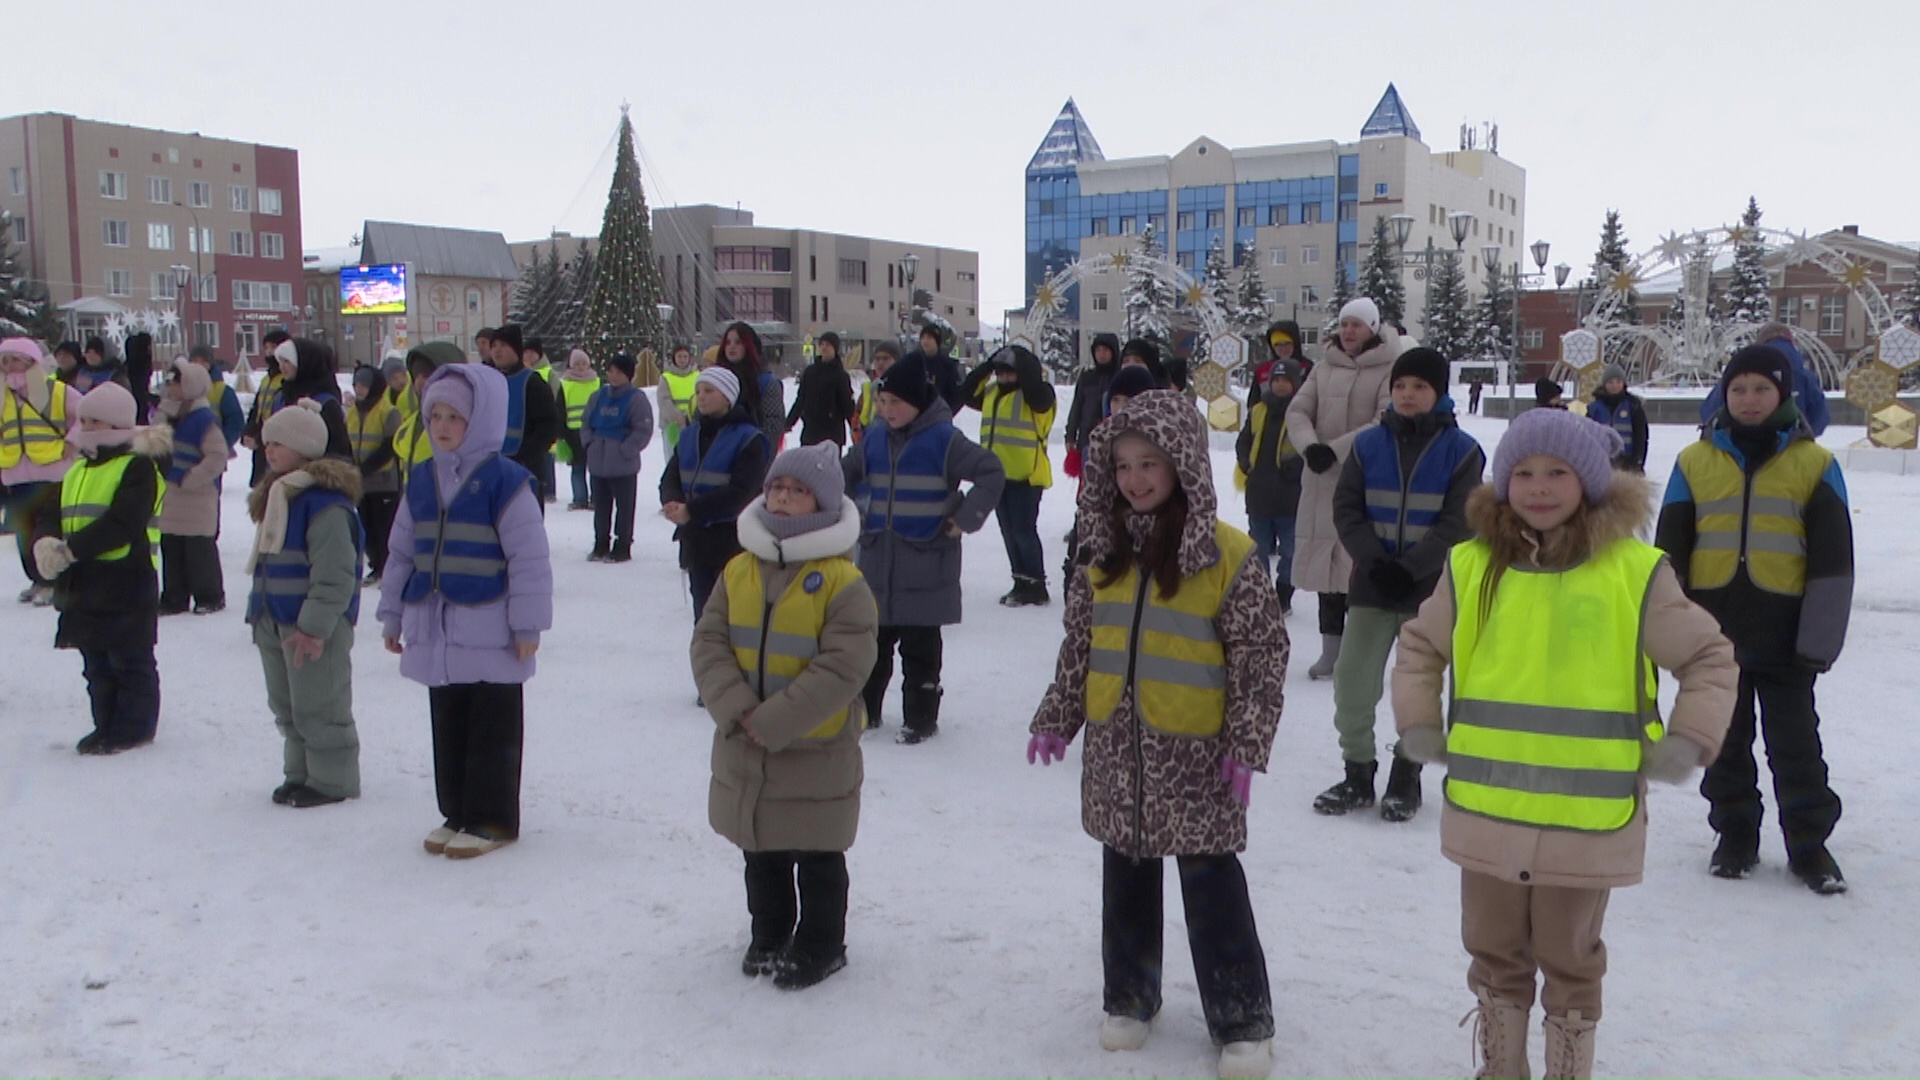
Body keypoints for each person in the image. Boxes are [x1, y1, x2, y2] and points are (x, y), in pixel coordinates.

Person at [1392, 406, 1736, 1080]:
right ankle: (1501, 1066)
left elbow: (1709, 658)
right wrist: (1418, 721)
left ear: (1590, 482)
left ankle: (1567, 1069)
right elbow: (1419, 648)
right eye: (1523, 472)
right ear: (1501, 483)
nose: (1539, 486)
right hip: (1488, 809)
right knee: (1492, 950)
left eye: (1557, 472)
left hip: (1588, 813)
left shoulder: (1633, 572)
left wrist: (1691, 738)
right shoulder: (1469, 567)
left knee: (1570, 956)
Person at [1027, 389, 1285, 1080]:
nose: (1135, 479)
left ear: (1185, 467)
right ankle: (1130, 995)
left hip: (1196, 754)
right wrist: (1059, 715)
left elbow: (1261, 656)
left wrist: (1246, 743)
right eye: (1123, 467)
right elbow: (1080, 645)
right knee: (1126, 875)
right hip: (1119, 748)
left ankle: (1241, 1017)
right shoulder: (1102, 552)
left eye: (1151, 464)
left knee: (1211, 885)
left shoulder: (1226, 555)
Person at [1656, 345, 1854, 894]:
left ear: (1783, 395)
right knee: (1723, 741)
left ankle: (1810, 845)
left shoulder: (1815, 464)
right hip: (1714, 637)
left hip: (1787, 636)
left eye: (1761, 389)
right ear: (1723, 394)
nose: (1748, 400)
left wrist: (1819, 640)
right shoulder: (1693, 462)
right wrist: (1673, 627)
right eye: (1738, 389)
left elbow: (1834, 561)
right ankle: (1736, 833)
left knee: (1796, 746)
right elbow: (1668, 553)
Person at [691, 441, 878, 990]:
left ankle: (822, 944)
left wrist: (777, 719)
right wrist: (735, 707)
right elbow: (709, 642)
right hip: (745, 739)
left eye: (798, 490)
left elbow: (845, 666)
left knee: (818, 853)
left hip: (814, 748)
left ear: (821, 504)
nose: (783, 496)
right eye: (777, 486)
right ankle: (769, 933)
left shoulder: (843, 582)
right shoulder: (738, 570)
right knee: (761, 850)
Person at [377, 363, 553, 859]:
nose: (442, 425)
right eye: (435, 415)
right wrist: (392, 616)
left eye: (455, 415)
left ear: (482, 419)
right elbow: (401, 553)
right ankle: (457, 811)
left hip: (492, 627)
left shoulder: (507, 481)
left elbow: (529, 560)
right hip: (436, 627)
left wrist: (527, 625)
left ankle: (492, 818)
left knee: (492, 728)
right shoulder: (422, 480)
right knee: (448, 724)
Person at [1316, 348, 1483, 820]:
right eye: (1401, 386)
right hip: (1371, 582)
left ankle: (1406, 775)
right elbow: (1346, 507)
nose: (1408, 395)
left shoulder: (1462, 450)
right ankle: (1357, 772)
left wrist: (1411, 567)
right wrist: (1372, 559)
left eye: (1420, 387)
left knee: (1419, 686)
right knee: (1352, 681)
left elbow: (1459, 520)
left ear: (1439, 393)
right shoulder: (1368, 445)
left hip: (1428, 591)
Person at [842, 350, 1004, 744]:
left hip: (926, 566)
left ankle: (920, 718)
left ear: (916, 402)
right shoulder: (875, 437)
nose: (886, 409)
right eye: (882, 401)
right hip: (878, 564)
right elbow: (846, 474)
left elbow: (990, 472)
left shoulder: (945, 441)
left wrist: (965, 518)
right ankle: (866, 713)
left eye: (895, 402)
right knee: (871, 648)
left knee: (921, 652)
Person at [35, 382, 169, 755]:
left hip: (126, 577)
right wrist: (46, 541)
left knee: (128, 658)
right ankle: (105, 723)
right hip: (84, 580)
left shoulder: (138, 466)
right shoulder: (78, 469)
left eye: (94, 420)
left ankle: (133, 727)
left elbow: (123, 521)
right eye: (83, 419)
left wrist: (71, 550)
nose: (85, 426)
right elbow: (51, 512)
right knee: (95, 660)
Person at [246, 401, 365, 808]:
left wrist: (315, 625)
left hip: (313, 625)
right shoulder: (279, 497)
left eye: (279, 443)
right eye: (267, 443)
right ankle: (300, 772)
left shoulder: (325, 504)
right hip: (275, 616)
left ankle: (332, 779)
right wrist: (257, 612)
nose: (270, 451)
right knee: (287, 703)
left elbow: (335, 572)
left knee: (320, 702)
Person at [1287, 297, 1399, 680]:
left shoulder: (1389, 367)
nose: (1348, 331)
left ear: (1372, 328)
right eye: (1344, 324)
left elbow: (1385, 417)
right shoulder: (1322, 367)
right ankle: (1330, 652)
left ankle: (1360, 655)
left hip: (1363, 479)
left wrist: (1334, 451)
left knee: (1360, 570)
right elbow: (1298, 411)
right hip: (1320, 480)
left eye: (1357, 325)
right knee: (1326, 571)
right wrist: (1310, 447)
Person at [660, 366, 772, 619]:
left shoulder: (749, 438)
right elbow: (671, 476)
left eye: (709, 390)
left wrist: (692, 510)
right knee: (704, 614)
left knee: (733, 615)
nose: (701, 396)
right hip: (696, 542)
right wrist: (671, 500)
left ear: (728, 396)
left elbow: (742, 492)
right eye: (698, 390)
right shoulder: (690, 434)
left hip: (732, 542)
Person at [961, 344, 1057, 606]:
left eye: (1009, 373)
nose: (1003, 378)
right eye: (1000, 373)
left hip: (1027, 477)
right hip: (998, 477)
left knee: (1024, 531)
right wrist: (989, 364)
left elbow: (1039, 396)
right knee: (1008, 531)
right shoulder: (992, 392)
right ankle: (1020, 581)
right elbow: (965, 392)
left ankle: (1036, 585)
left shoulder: (1038, 395)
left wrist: (1024, 364)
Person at [1, 338, 84, 606]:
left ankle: (55, 581)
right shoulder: (1, 395)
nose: (8, 365)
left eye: (14, 359)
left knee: (49, 532)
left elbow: (85, 414)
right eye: (4, 360)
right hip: (15, 475)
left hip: (53, 474)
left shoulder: (56, 390)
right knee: (24, 533)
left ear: (31, 361)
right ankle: (37, 579)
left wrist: (72, 442)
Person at [155, 358, 231, 615]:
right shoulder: (164, 415)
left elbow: (217, 456)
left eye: (175, 382)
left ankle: (209, 596)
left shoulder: (203, 419)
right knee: (172, 547)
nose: (170, 388)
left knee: (199, 550)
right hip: (170, 493)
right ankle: (174, 597)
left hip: (195, 496)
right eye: (168, 382)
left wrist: (191, 478)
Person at [1234, 358, 1304, 615]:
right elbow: (1243, 442)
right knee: (1258, 549)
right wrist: (1245, 464)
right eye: (1276, 380)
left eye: (1286, 380)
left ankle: (1284, 594)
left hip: (1290, 497)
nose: (1281, 385)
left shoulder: (1303, 412)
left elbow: (1310, 446)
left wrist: (1297, 466)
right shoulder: (1258, 411)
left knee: (1290, 551)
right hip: (1259, 495)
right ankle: (1261, 593)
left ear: (1295, 384)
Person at [582, 353, 656, 563]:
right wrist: (589, 443)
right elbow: (586, 422)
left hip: (623, 465)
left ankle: (622, 545)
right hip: (598, 463)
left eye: (619, 372)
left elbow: (643, 429)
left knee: (624, 508)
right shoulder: (598, 396)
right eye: (611, 371)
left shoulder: (636, 398)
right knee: (600, 507)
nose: (613, 376)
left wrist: (626, 450)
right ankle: (600, 544)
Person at [1698, 323, 1830, 437]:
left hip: (1739, 451)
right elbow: (1820, 418)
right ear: (1791, 342)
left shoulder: (1744, 369)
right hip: (1794, 451)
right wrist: (1800, 436)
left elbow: (1709, 412)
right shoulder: (1805, 376)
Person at [486, 325, 560, 512]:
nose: (497, 350)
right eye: (494, 345)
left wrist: (526, 457)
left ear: (516, 350)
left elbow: (549, 425)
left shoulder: (532, 383)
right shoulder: (489, 381)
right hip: (493, 469)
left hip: (526, 470)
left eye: (503, 345)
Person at [347, 365, 402, 587]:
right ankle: (376, 566)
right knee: (367, 527)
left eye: (363, 385)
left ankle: (388, 568)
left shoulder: (388, 411)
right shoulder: (351, 412)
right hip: (360, 482)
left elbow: (390, 447)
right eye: (356, 385)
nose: (359, 389)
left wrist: (366, 467)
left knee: (384, 528)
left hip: (383, 481)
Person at [271, 337, 353, 461]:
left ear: (304, 363)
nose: (281, 367)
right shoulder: (280, 397)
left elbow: (339, 452)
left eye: (287, 362)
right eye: (280, 362)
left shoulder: (325, 402)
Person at [392, 343, 461, 486]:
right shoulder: (411, 425)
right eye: (416, 374)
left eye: (429, 374)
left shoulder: (465, 424)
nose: (420, 381)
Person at [717, 321, 784, 452]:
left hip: (750, 457)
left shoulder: (765, 382)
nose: (731, 347)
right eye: (728, 342)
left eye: (738, 342)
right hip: (717, 459)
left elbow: (773, 426)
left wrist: (755, 455)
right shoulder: (716, 379)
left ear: (749, 346)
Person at [1063, 333, 1122, 479]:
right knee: (1087, 485)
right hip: (1086, 441)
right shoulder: (1087, 377)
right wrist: (1070, 436)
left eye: (1105, 350)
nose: (1101, 355)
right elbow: (1076, 407)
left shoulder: (1120, 377)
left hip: (1114, 442)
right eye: (1098, 350)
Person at [785, 332, 858, 447]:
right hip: (810, 432)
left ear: (835, 349)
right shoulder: (810, 372)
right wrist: (788, 423)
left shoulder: (840, 375)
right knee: (807, 464)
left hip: (832, 435)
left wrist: (855, 429)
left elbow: (847, 405)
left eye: (828, 345)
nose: (824, 347)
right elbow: (801, 400)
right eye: (822, 344)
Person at [242, 329, 293, 487]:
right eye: (267, 348)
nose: (269, 352)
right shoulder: (266, 379)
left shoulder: (286, 379)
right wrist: (248, 431)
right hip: (262, 442)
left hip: (277, 440)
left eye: (273, 347)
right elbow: (257, 408)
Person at [557, 348, 603, 511]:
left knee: (594, 467)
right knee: (577, 466)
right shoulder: (565, 384)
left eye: (584, 363)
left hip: (594, 431)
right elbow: (560, 408)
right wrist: (560, 431)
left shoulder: (596, 382)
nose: (581, 367)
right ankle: (580, 498)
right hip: (572, 432)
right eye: (577, 364)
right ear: (571, 366)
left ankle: (596, 498)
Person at [1584, 363, 1648, 473]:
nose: (1614, 386)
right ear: (1604, 384)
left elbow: (1641, 435)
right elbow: (1588, 435)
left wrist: (1638, 460)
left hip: (1627, 460)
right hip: (1601, 459)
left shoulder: (1633, 405)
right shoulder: (1594, 408)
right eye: (1610, 382)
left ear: (1624, 383)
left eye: (1618, 382)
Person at [523, 337, 557, 502]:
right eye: (526, 352)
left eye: (531, 352)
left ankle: (549, 489)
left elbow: (556, 395)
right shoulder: (522, 371)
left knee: (546, 456)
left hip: (545, 418)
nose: (528, 356)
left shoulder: (548, 372)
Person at [190, 346, 244, 449]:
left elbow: (235, 423)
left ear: (210, 364)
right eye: (194, 361)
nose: (198, 365)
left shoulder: (223, 391)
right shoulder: (181, 388)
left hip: (213, 453)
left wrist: (221, 446)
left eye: (203, 361)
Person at [850, 341, 898, 443]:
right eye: (877, 359)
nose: (880, 363)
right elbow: (857, 415)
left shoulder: (905, 387)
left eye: (886, 358)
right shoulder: (868, 387)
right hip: (870, 440)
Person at [656, 343, 700, 455]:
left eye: (685, 357)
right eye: (679, 357)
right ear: (674, 358)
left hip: (693, 423)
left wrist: (690, 417)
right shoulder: (666, 378)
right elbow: (664, 400)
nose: (682, 360)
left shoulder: (698, 376)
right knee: (673, 457)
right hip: (672, 425)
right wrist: (677, 416)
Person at [916, 325, 967, 414]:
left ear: (937, 341)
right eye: (923, 337)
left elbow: (958, 396)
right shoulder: (914, 362)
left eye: (929, 338)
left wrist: (946, 413)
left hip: (939, 418)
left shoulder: (948, 365)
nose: (925, 341)